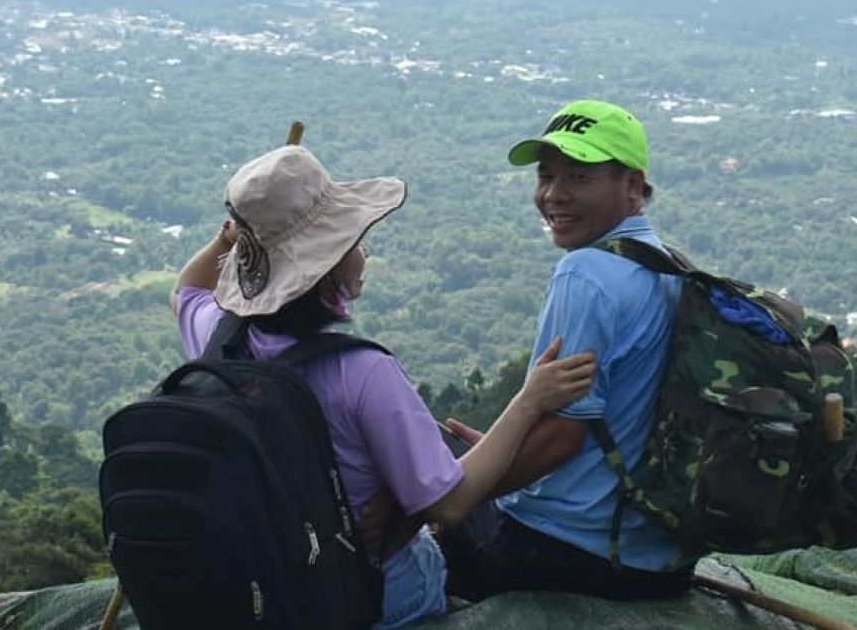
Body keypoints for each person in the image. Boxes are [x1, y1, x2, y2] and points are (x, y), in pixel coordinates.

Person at [170, 144, 596, 629]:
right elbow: (450, 503)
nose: (363, 251)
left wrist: (232, 239)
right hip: (365, 595)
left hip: (267, 587)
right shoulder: (362, 372)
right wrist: (529, 401)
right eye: (352, 241)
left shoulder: (219, 337)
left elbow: (187, 290)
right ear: (327, 268)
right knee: (441, 522)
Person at [433, 98, 692, 601]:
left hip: (569, 551)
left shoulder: (586, 274)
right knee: (465, 455)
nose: (553, 195)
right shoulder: (667, 265)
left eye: (578, 178)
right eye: (546, 176)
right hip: (655, 551)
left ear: (633, 187)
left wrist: (456, 500)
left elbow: (562, 440)